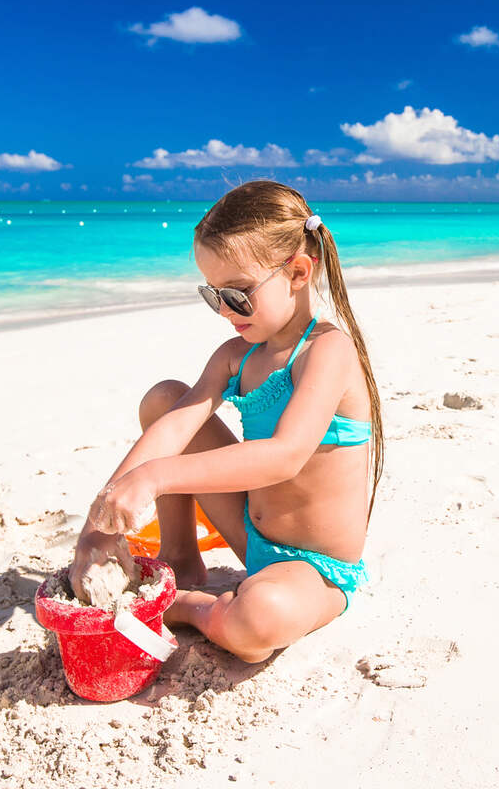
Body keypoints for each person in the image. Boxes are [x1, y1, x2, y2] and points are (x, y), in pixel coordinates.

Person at [71, 180, 383, 663]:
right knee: (165, 399)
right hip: (251, 535)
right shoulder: (235, 356)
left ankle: (185, 607)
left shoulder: (328, 351)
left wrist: (154, 477)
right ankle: (181, 557)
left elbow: (284, 455)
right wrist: (99, 526)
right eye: (212, 295)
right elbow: (175, 423)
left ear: (299, 272)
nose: (224, 311)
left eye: (237, 295)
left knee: (257, 620)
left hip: (315, 569)